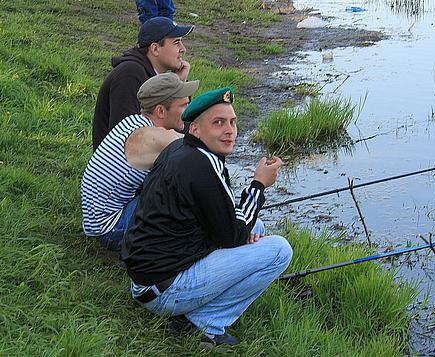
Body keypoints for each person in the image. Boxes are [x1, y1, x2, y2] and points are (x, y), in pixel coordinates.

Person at [121, 87, 293, 349]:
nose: (230, 130)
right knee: (279, 250)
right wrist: (259, 185)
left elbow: (224, 221)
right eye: (218, 123)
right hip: (164, 290)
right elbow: (231, 236)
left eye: (232, 122)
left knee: (254, 225)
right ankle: (206, 323)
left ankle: (191, 314)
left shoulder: (181, 150)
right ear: (195, 129)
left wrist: (243, 230)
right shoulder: (202, 166)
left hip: (146, 280)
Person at [81, 73, 199, 251]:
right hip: (110, 228)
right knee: (182, 201)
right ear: (160, 111)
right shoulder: (153, 137)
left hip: (96, 219)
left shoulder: (133, 122)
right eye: (184, 105)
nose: (189, 110)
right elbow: (199, 153)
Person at [92, 16, 193, 151]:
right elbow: (125, 135)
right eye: (176, 42)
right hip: (125, 166)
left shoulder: (150, 74)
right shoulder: (129, 74)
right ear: (155, 49)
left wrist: (178, 84)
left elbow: (180, 121)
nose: (183, 49)